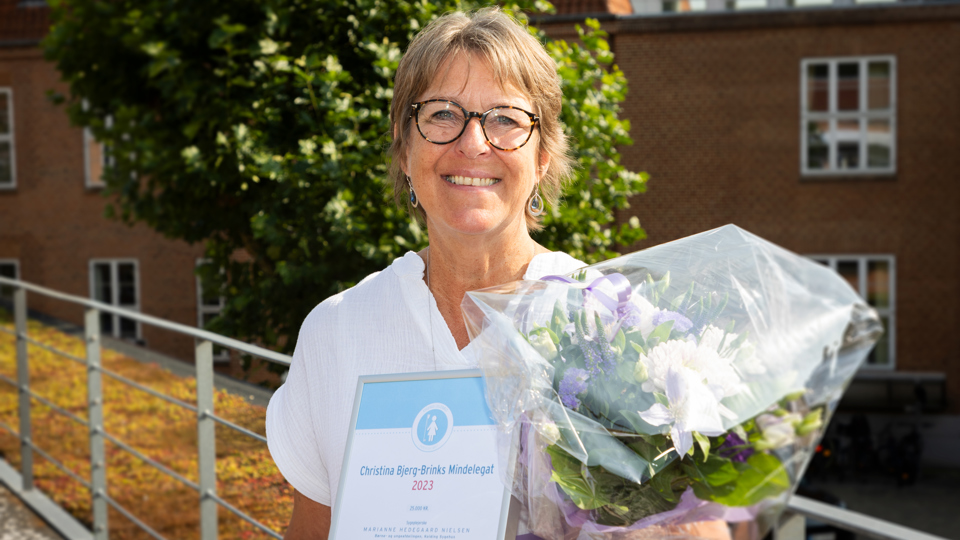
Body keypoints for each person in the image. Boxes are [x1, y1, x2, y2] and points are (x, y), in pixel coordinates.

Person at [266, 8, 585, 539]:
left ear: (543, 155)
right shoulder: (335, 332)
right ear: (405, 143)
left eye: (505, 118)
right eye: (442, 113)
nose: (474, 143)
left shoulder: (604, 326)